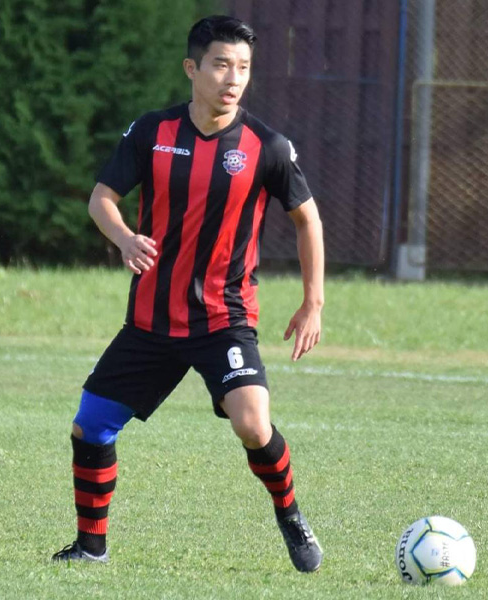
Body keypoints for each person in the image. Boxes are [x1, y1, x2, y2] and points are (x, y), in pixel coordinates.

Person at [52, 15, 326, 573]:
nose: (233, 78)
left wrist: (312, 302)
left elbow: (307, 219)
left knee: (253, 425)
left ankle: (291, 515)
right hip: (151, 321)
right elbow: (101, 198)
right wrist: (124, 238)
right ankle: (90, 547)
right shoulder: (153, 132)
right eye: (222, 65)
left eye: (243, 67)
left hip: (223, 318)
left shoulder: (267, 146)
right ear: (191, 69)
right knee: (91, 425)